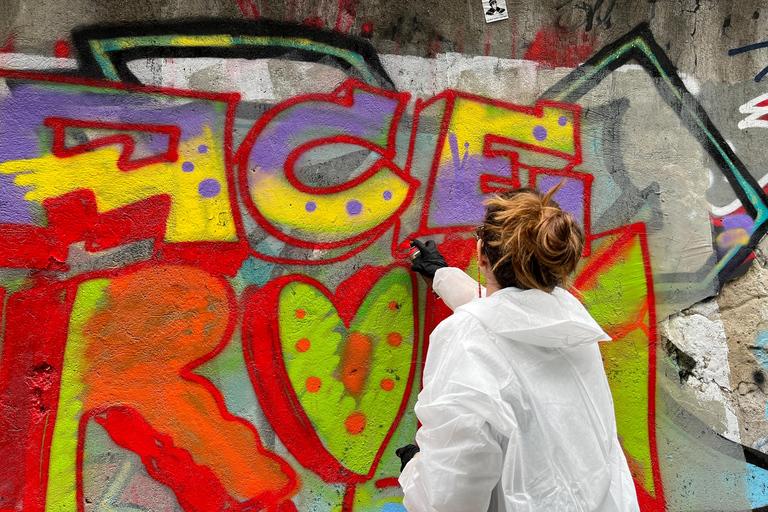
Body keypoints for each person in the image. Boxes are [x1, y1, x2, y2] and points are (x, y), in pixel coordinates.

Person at [398, 184, 640, 512]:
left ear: (482, 255)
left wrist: (414, 472)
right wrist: (442, 275)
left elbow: (450, 498)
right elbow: (510, 316)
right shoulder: (570, 321)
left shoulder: (466, 338)